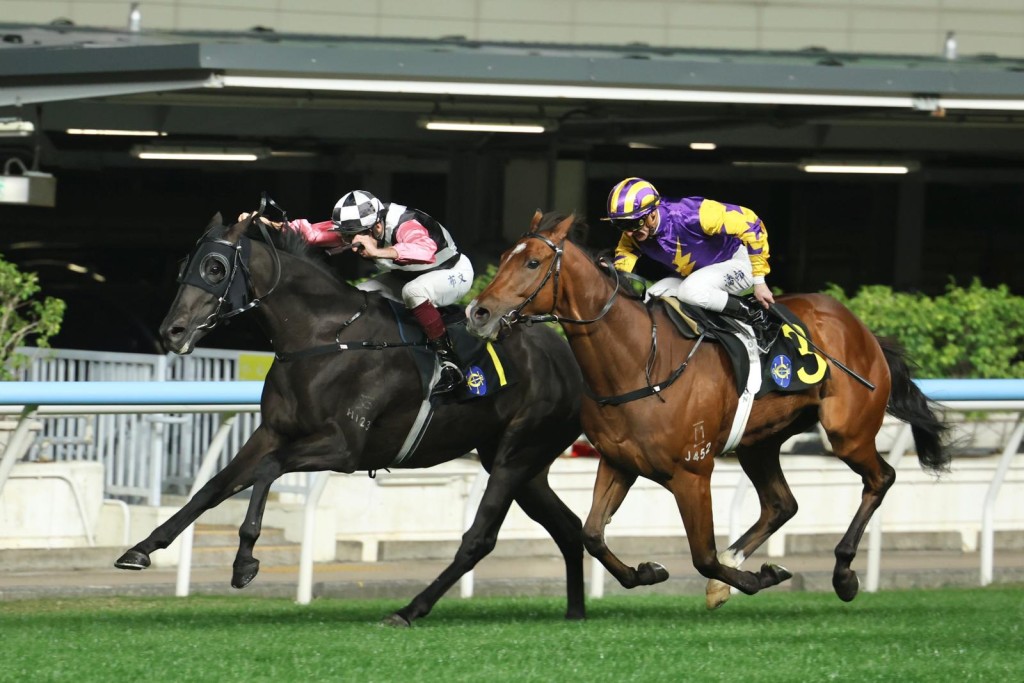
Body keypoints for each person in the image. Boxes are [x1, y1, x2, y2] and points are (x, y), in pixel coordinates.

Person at [243, 190, 474, 394]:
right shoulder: (361, 224)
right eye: (344, 235)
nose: (348, 242)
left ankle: (448, 361)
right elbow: (310, 233)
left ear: (378, 226)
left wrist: (378, 251)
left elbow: (425, 250)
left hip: (450, 271)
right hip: (406, 273)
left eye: (352, 235)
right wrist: (266, 225)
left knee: (414, 292)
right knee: (357, 298)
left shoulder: (406, 222)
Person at [603, 177, 774, 329]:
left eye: (633, 224)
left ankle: (755, 315)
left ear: (652, 215)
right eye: (621, 225)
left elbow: (751, 223)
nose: (629, 233)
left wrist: (759, 280)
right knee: (650, 300)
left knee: (691, 291)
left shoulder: (692, 214)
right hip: (695, 275)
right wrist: (612, 274)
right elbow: (625, 253)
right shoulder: (634, 233)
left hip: (737, 263)